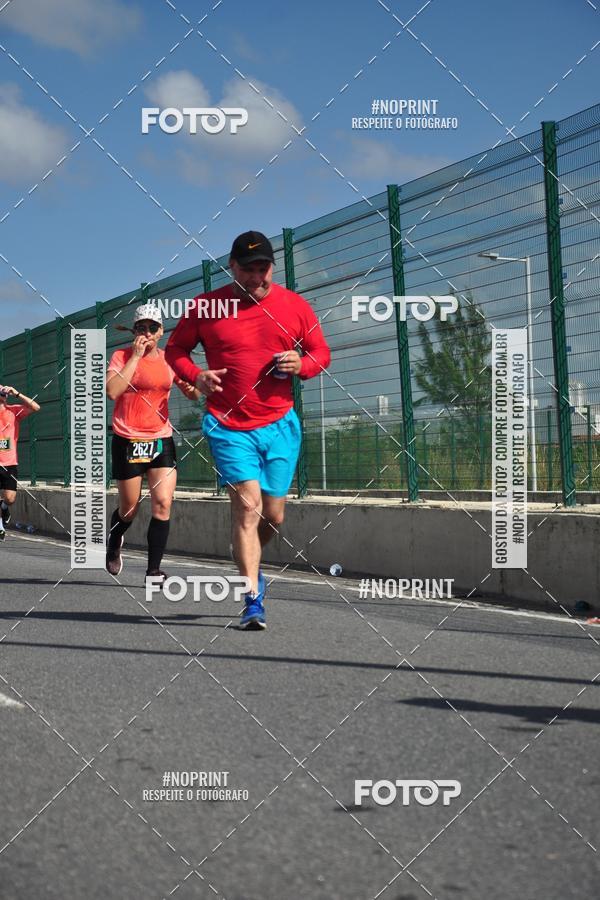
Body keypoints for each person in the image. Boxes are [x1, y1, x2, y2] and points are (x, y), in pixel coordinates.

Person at [166, 230, 331, 630]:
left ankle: (250, 556)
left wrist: (303, 365)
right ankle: (252, 599)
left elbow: (321, 352)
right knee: (247, 508)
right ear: (232, 267)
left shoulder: (293, 305)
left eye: (264, 269)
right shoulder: (206, 307)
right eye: (249, 270)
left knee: (273, 516)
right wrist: (196, 375)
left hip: (280, 424)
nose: (257, 278)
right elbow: (175, 350)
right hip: (228, 425)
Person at [105, 303, 200, 582]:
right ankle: (114, 542)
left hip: (160, 439)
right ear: (134, 331)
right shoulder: (121, 356)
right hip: (128, 439)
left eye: (152, 327)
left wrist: (190, 388)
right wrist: (135, 357)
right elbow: (112, 391)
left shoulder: (170, 359)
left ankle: (153, 570)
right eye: (141, 327)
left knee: (163, 503)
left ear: (161, 332)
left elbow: (195, 395)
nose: (147, 332)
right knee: (129, 509)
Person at [0, 385, 41, 540]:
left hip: (10, 463)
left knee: (10, 499)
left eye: (4, 392)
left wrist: (17, 393)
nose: (3, 394)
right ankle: (0, 527)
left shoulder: (14, 411)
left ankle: (4, 508)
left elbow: (36, 407)